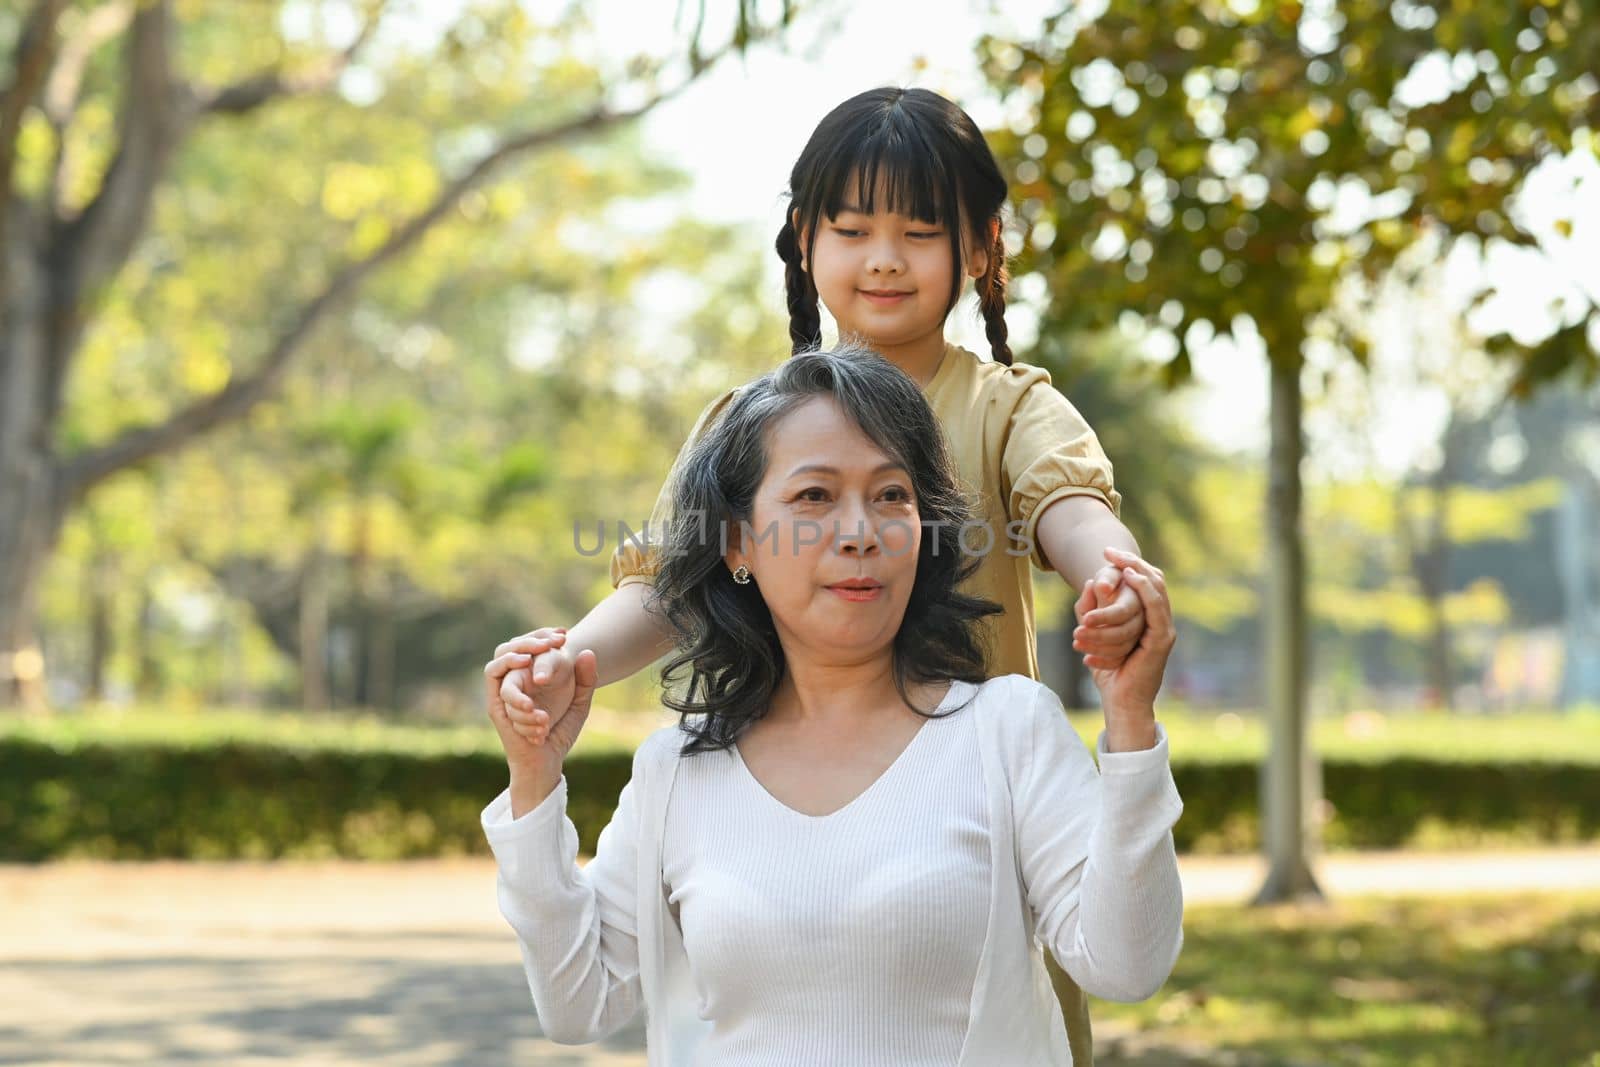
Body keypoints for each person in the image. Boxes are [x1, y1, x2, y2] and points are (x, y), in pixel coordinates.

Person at [501, 86, 1157, 1062]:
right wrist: (567, 665)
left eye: (918, 229)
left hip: (981, 838)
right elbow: (667, 583)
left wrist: (1117, 587)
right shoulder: (753, 420)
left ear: (980, 246)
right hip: (790, 780)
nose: (883, 256)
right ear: (803, 240)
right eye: (851, 227)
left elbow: (1070, 511)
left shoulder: (1011, 406)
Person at [482, 347, 1183, 1066]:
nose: (861, 531)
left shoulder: (1009, 730)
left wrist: (1130, 722)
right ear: (737, 543)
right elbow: (577, 1003)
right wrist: (533, 776)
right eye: (814, 495)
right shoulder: (677, 768)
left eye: (891, 495)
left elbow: (1127, 965)